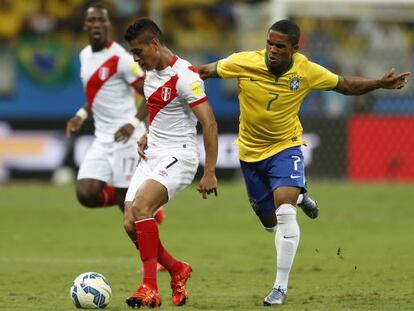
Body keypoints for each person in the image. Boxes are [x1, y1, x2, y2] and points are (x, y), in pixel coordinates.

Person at [197, 19, 410, 306]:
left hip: (286, 146)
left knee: (285, 215)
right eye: (269, 43)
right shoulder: (243, 62)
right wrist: (167, 72)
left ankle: (279, 288)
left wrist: (379, 84)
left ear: (295, 49)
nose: (272, 50)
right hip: (249, 153)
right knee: (270, 224)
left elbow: (344, 85)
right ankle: (301, 196)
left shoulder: (306, 70)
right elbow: (203, 71)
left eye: (280, 46)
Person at [122, 18, 218, 308]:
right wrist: (149, 134)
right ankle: (177, 269)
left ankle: (149, 288)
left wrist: (210, 171)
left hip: (181, 154)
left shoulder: (185, 75)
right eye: (132, 54)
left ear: (155, 44)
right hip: (152, 154)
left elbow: (210, 123)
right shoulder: (151, 72)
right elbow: (161, 109)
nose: (136, 59)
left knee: (142, 208)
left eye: (139, 52)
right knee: (130, 224)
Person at [65, 3, 164, 223]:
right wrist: (81, 115)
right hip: (103, 138)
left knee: (127, 207)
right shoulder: (85, 56)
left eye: (101, 20)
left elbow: (150, 94)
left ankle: (153, 254)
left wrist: (132, 123)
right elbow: (96, 95)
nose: (97, 24)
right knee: (86, 193)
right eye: (92, 20)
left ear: (108, 25)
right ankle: (143, 202)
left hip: (127, 136)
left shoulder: (121, 58)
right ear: (85, 25)